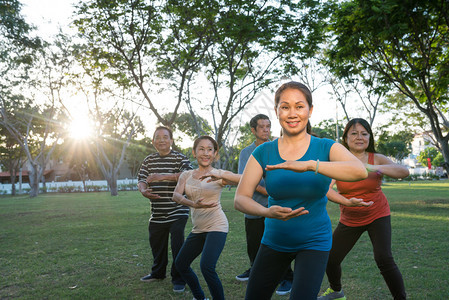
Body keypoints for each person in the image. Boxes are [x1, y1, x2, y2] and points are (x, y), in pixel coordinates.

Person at [234, 81, 368, 300]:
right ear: (277, 111)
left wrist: (309, 165)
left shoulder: (325, 147)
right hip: (275, 240)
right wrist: (268, 212)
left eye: (299, 106)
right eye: (285, 107)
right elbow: (240, 198)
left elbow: (359, 170)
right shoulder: (263, 151)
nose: (292, 113)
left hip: (314, 241)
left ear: (310, 110)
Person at [318, 118, 409, 300]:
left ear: (369, 137)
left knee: (383, 258)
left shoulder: (376, 158)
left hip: (378, 214)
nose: (359, 137)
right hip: (350, 217)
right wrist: (345, 201)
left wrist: (372, 167)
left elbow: (403, 171)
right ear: (345, 137)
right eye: (354, 133)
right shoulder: (337, 161)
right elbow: (326, 188)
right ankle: (336, 291)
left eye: (364, 133)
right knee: (330, 257)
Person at [172, 135, 243, 300]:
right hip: (198, 228)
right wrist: (192, 203)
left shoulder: (218, 174)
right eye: (201, 149)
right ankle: (200, 297)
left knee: (207, 267)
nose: (206, 153)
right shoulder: (186, 175)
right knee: (181, 264)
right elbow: (176, 195)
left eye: (210, 149)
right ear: (194, 152)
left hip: (217, 225)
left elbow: (243, 179)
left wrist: (223, 177)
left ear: (215, 154)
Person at [235, 113, 294, 296]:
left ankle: (287, 278)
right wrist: (265, 189)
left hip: (275, 206)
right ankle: (255, 270)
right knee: (254, 245)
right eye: (262, 127)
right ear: (253, 130)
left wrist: (269, 189)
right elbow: (244, 180)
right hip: (253, 207)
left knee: (278, 245)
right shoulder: (246, 152)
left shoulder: (278, 148)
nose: (266, 130)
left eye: (268, 126)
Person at [137, 126, 192, 293]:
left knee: (177, 245)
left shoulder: (180, 158)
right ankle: (158, 273)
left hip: (178, 210)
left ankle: (179, 278)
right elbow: (141, 179)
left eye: (165, 137)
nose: (161, 140)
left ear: (171, 141)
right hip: (157, 212)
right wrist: (143, 190)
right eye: (158, 137)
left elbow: (188, 174)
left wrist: (162, 176)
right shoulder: (148, 160)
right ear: (153, 142)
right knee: (157, 244)